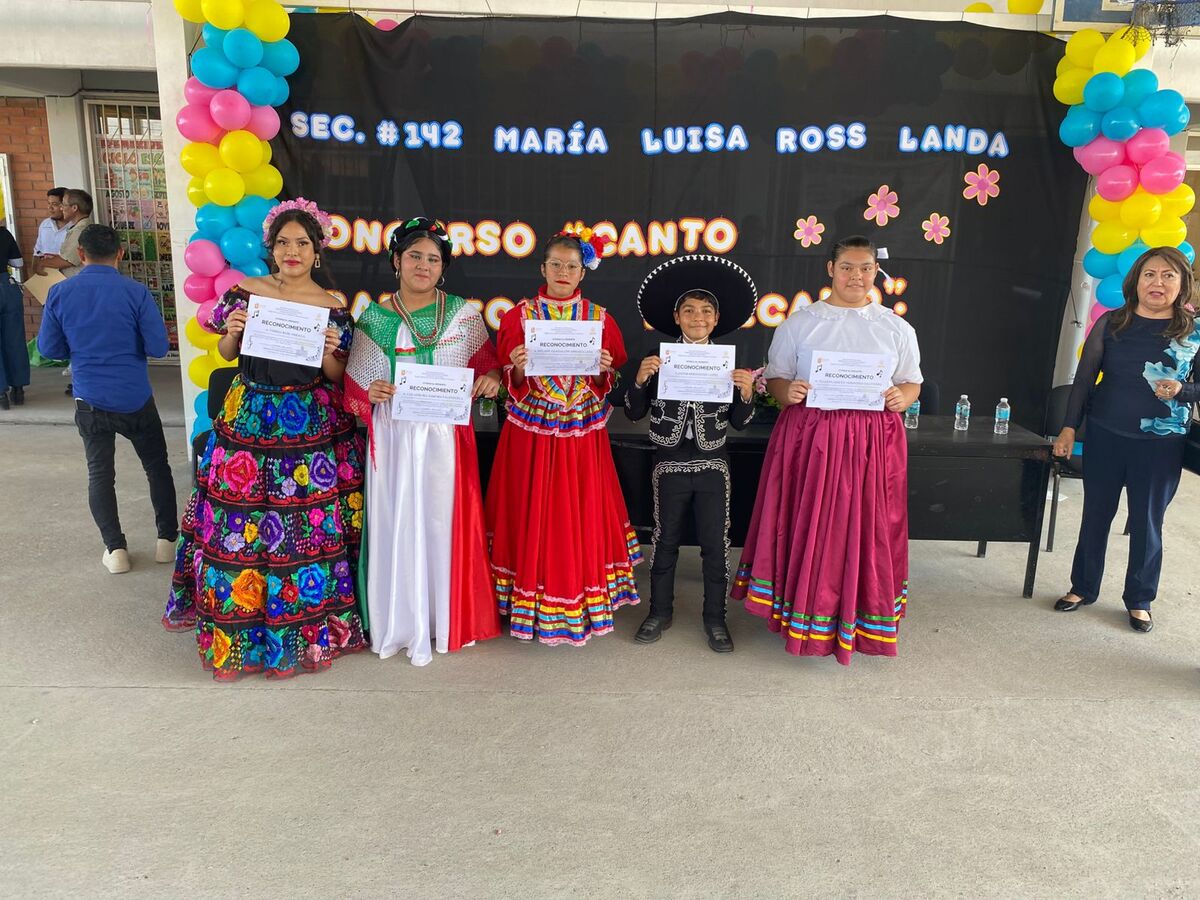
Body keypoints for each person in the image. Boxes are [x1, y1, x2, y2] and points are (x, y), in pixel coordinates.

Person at [163, 199, 368, 679]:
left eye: (302, 243)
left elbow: (336, 376)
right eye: (283, 243)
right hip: (250, 418)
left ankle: (300, 634)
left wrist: (329, 352)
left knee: (305, 527)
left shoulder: (333, 306)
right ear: (271, 249)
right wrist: (232, 333)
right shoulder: (246, 293)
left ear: (317, 251)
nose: (292, 251)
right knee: (241, 523)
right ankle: (240, 632)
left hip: (307, 424)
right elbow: (226, 352)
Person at [730, 235, 922, 664]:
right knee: (809, 521)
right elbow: (776, 380)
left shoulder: (895, 327)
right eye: (848, 267)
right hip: (811, 437)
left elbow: (912, 381)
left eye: (866, 268)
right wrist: (788, 392)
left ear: (876, 272)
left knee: (864, 527)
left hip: (872, 442)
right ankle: (802, 609)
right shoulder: (800, 323)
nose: (857, 276)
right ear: (831, 269)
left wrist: (902, 397)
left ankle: (857, 612)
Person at [343, 217, 503, 665]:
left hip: (446, 439)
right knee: (398, 521)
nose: (423, 265)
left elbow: (489, 366)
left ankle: (444, 619)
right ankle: (401, 621)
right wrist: (370, 391)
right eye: (414, 255)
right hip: (394, 436)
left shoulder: (464, 315)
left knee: (441, 522)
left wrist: (492, 379)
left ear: (443, 268)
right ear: (396, 260)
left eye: (433, 259)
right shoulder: (375, 318)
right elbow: (354, 389)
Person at [485, 226, 643, 645]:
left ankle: (577, 595)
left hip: (580, 426)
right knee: (531, 504)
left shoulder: (599, 317)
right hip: (533, 425)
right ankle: (527, 597)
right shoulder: (519, 316)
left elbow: (609, 375)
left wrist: (604, 370)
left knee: (579, 504)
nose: (562, 272)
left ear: (582, 272)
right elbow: (510, 378)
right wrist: (518, 367)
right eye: (555, 264)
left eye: (571, 266)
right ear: (542, 268)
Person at [1051, 246, 1198, 633]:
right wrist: (1069, 427)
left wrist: (1182, 390)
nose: (1157, 282)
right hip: (1106, 434)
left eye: (1168, 275)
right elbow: (1085, 378)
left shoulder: (1193, 331)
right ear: (1136, 281)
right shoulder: (1113, 322)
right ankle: (1083, 587)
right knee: (1095, 515)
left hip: (1162, 443)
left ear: (1182, 283)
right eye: (1150, 274)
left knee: (1148, 523)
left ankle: (1139, 599)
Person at [624, 255, 757, 652]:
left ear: (716, 320)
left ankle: (715, 618)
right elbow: (633, 412)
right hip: (668, 462)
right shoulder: (656, 357)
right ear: (676, 317)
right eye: (689, 311)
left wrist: (746, 393)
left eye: (705, 311)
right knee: (665, 540)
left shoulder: (729, 362)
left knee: (715, 543)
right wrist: (639, 381)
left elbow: (740, 423)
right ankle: (659, 612)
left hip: (713, 462)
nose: (698, 317)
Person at [35, 224, 178, 573]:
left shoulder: (59, 293)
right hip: (135, 397)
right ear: (120, 254)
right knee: (157, 467)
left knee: (100, 475)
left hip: (90, 398)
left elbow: (48, 348)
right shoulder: (136, 292)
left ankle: (116, 551)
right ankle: (167, 542)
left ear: (80, 254)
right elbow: (159, 347)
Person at [0, 222, 28, 410]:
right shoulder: (4, 233)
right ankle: (18, 389)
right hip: (7, 287)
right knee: (15, 339)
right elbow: (18, 263)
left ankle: (1, 394)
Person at [37, 188, 92, 279]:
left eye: (64, 205)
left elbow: (67, 260)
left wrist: (42, 263)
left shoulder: (80, 230)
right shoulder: (81, 226)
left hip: (77, 280)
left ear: (74, 208)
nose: (61, 208)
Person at [32, 188, 70, 270]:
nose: (50, 208)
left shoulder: (77, 227)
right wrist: (35, 271)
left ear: (66, 205)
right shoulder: (45, 225)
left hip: (70, 274)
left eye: (54, 204)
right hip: (48, 274)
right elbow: (37, 252)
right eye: (49, 203)